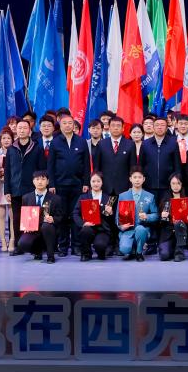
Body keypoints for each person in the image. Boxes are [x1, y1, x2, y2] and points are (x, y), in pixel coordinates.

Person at [47, 112, 91, 257]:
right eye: (64, 123)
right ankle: (63, 246)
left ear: (74, 125)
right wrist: (51, 184)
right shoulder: (55, 142)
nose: (67, 126)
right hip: (60, 185)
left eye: (70, 123)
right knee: (62, 216)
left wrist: (86, 182)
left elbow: (86, 165)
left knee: (76, 215)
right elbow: (50, 165)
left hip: (78, 185)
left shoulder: (81, 142)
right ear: (60, 125)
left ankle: (76, 246)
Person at [4, 119, 44, 256]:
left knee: (33, 219)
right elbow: (7, 171)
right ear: (16, 130)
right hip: (15, 189)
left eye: (24, 128)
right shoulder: (11, 149)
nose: (21, 130)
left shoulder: (37, 148)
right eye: (19, 128)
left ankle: (34, 247)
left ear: (30, 130)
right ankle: (18, 246)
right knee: (16, 219)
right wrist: (7, 190)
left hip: (32, 190)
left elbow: (41, 170)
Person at [15, 171, 65, 263]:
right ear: (33, 181)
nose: (40, 182)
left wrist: (53, 219)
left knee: (46, 226)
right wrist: (26, 226)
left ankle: (50, 255)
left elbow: (60, 216)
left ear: (48, 181)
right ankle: (37, 252)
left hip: (49, 229)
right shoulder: (26, 197)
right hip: (33, 230)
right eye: (37, 179)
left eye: (43, 179)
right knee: (22, 244)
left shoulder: (55, 198)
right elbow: (25, 215)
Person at [116, 167, 158, 261]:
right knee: (124, 249)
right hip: (128, 230)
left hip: (143, 229)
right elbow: (117, 217)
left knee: (140, 229)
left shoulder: (150, 196)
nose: (137, 180)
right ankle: (132, 250)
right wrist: (121, 226)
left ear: (144, 179)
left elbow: (156, 215)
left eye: (139, 177)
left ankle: (139, 252)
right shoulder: (123, 196)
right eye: (134, 177)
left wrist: (147, 216)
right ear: (130, 179)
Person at [74, 172, 114, 261]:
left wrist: (110, 213)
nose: (96, 184)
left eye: (98, 181)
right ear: (90, 182)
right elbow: (75, 213)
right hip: (88, 227)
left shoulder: (108, 198)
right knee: (85, 231)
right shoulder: (83, 197)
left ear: (102, 182)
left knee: (100, 246)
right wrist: (83, 223)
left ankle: (101, 252)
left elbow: (111, 220)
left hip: (102, 229)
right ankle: (86, 254)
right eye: (93, 181)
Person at [97, 116, 135, 197]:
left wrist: (131, 185)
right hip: (105, 187)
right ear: (109, 128)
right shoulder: (101, 144)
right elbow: (97, 167)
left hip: (124, 188)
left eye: (118, 126)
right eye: (113, 125)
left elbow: (132, 167)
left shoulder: (130, 144)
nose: (115, 128)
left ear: (123, 128)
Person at [158, 173, 188, 262]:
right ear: (170, 184)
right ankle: (172, 248)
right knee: (164, 256)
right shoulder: (165, 200)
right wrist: (162, 216)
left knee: (179, 224)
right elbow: (160, 222)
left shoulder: (187, 200)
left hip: (181, 231)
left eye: (178, 183)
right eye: (173, 183)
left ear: (182, 184)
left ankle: (179, 253)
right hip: (168, 233)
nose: (176, 186)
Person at [0, 129, 15, 253]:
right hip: (0, 186)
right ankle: (2, 240)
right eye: (4, 138)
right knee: (1, 214)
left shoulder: (15, 152)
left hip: (12, 186)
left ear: (12, 139)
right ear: (0, 140)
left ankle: (12, 240)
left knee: (12, 215)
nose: (6, 140)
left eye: (8, 138)